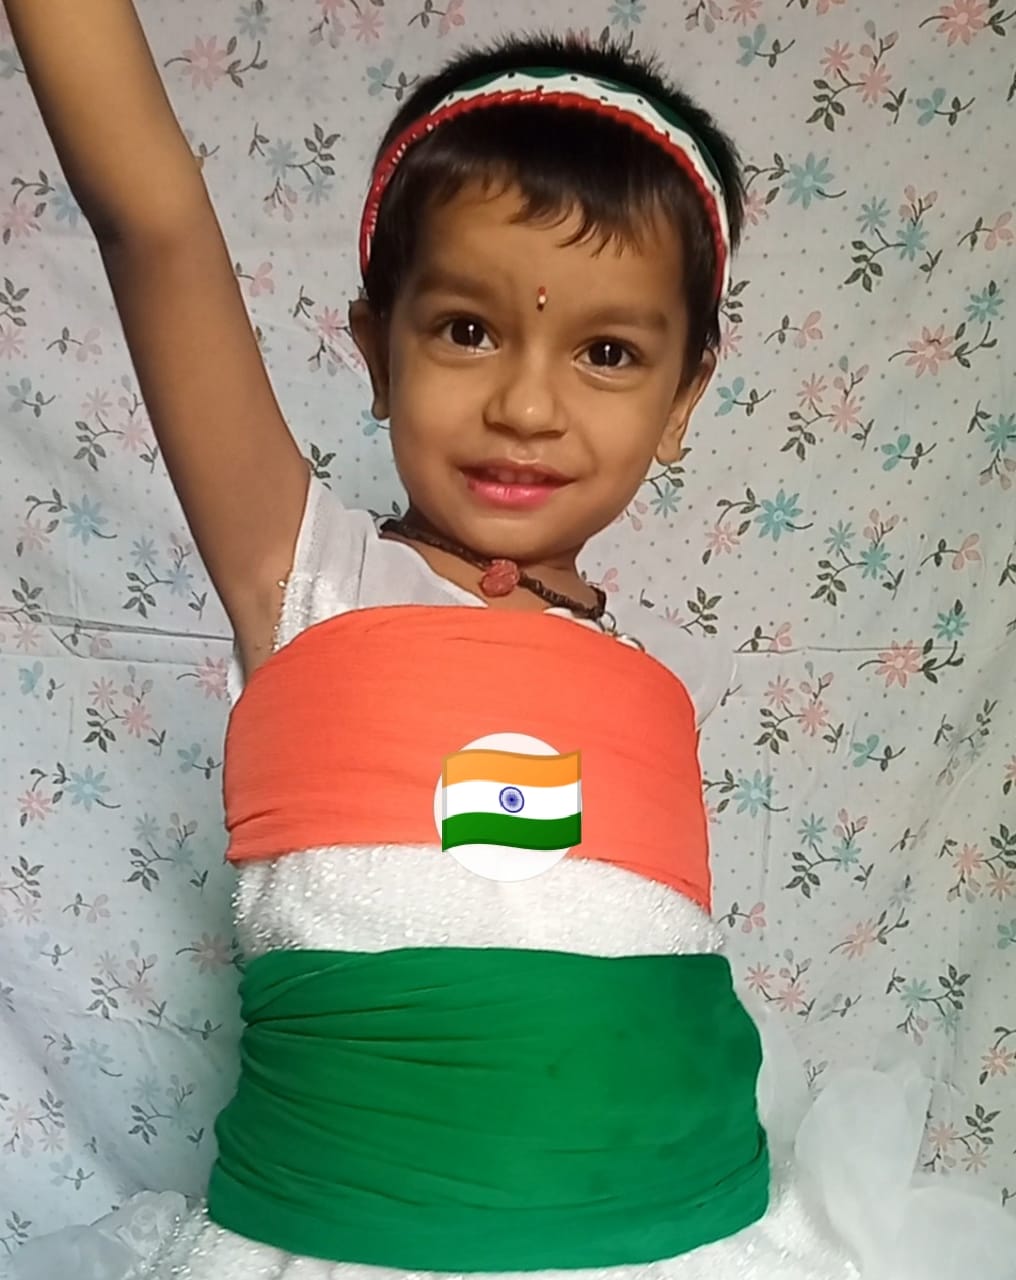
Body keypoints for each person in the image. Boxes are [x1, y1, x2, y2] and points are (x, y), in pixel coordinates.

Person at [6, 4, 1016, 1278]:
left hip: (674, 1236)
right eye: (467, 329)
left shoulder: (659, 680)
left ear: (682, 398)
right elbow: (149, 220)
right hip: (353, 1238)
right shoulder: (305, 577)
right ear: (376, 348)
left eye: (606, 350)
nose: (526, 404)